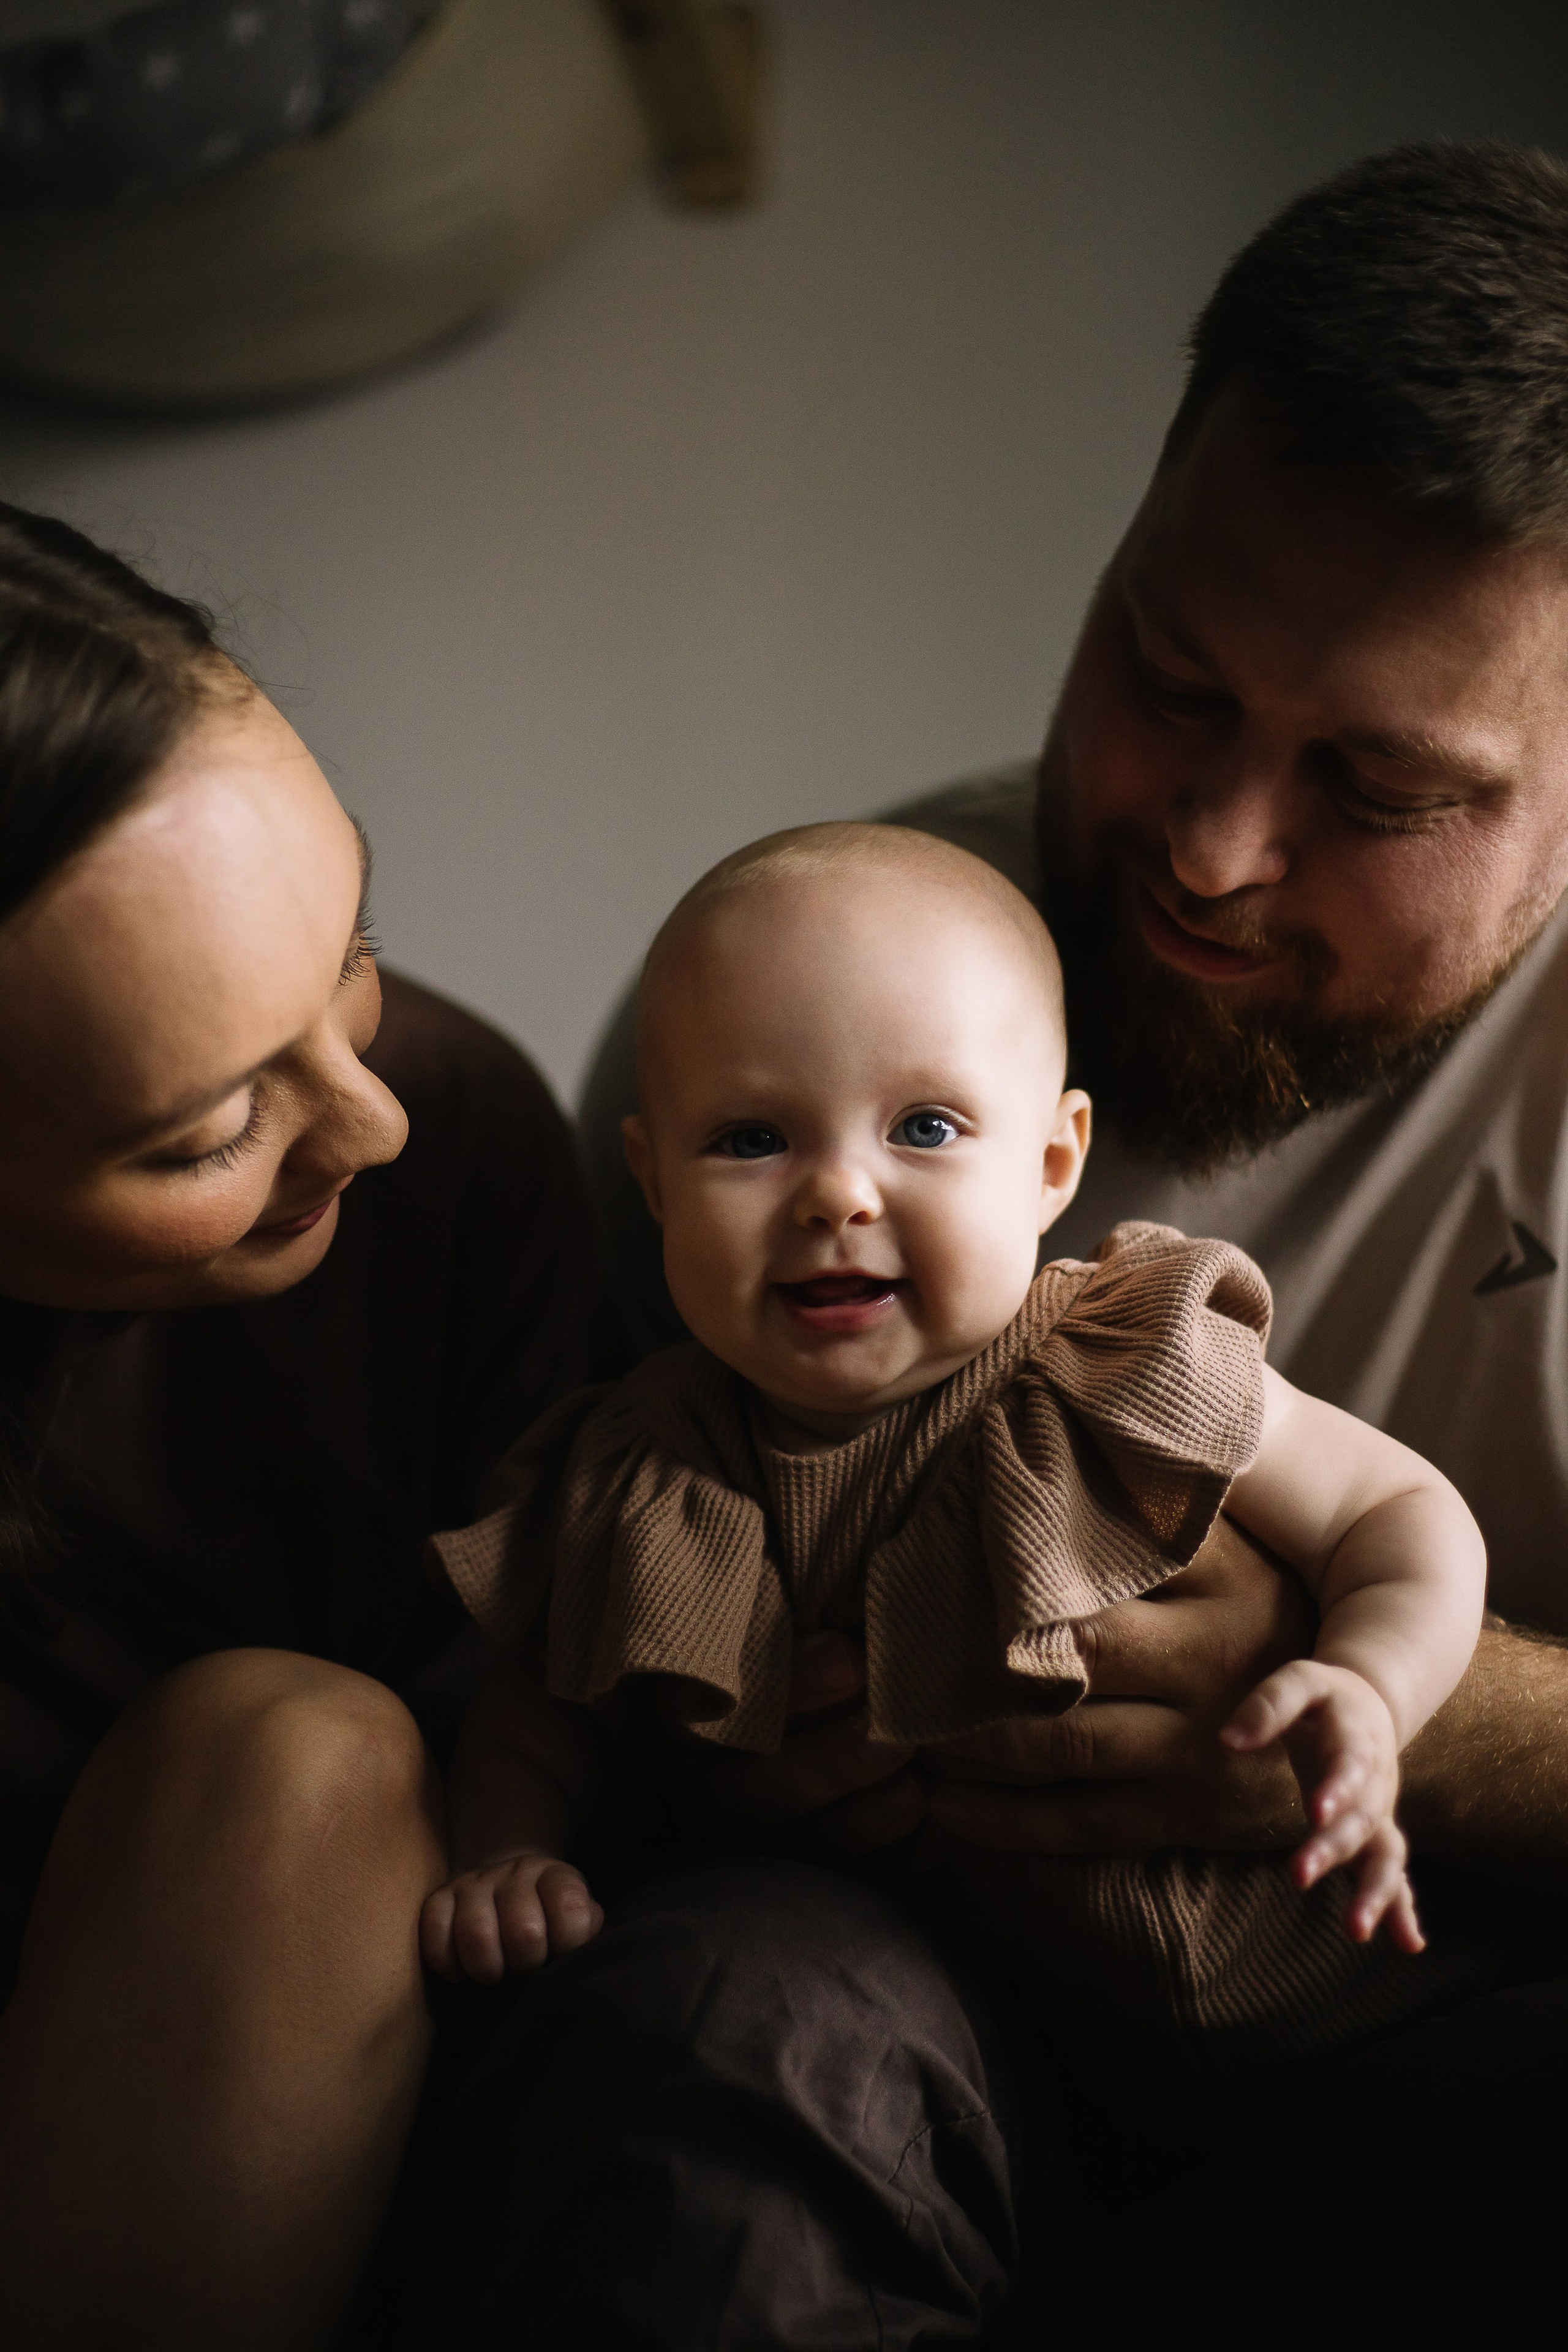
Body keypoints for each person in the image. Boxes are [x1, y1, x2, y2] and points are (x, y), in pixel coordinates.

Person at [391, 141, 1568, 2346]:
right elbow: (586, 1624)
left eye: (1384, 790)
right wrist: (695, 1756)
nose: (1212, 848)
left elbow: (1388, 1533)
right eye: (1172, 677)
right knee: (710, 2036)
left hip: (1425, 1991)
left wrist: (1415, 1710)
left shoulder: (1149, 1328)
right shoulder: (815, 980)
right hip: (918, 1982)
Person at [424, 820, 1500, 2081]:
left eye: (925, 1128)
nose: (837, 1195)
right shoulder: (643, 1471)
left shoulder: (1126, 1361)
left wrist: (1369, 1688)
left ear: (1050, 1165)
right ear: (653, 1181)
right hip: (1005, 2056)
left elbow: (1396, 1512)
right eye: (751, 1139)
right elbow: (538, 1716)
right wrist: (508, 1853)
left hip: (1360, 2004)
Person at [0, 502, 612, 2348]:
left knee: (300, 1756)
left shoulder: (455, 1144)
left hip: (364, 2085)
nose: (369, 1124)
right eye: (207, 1135)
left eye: (354, 950)